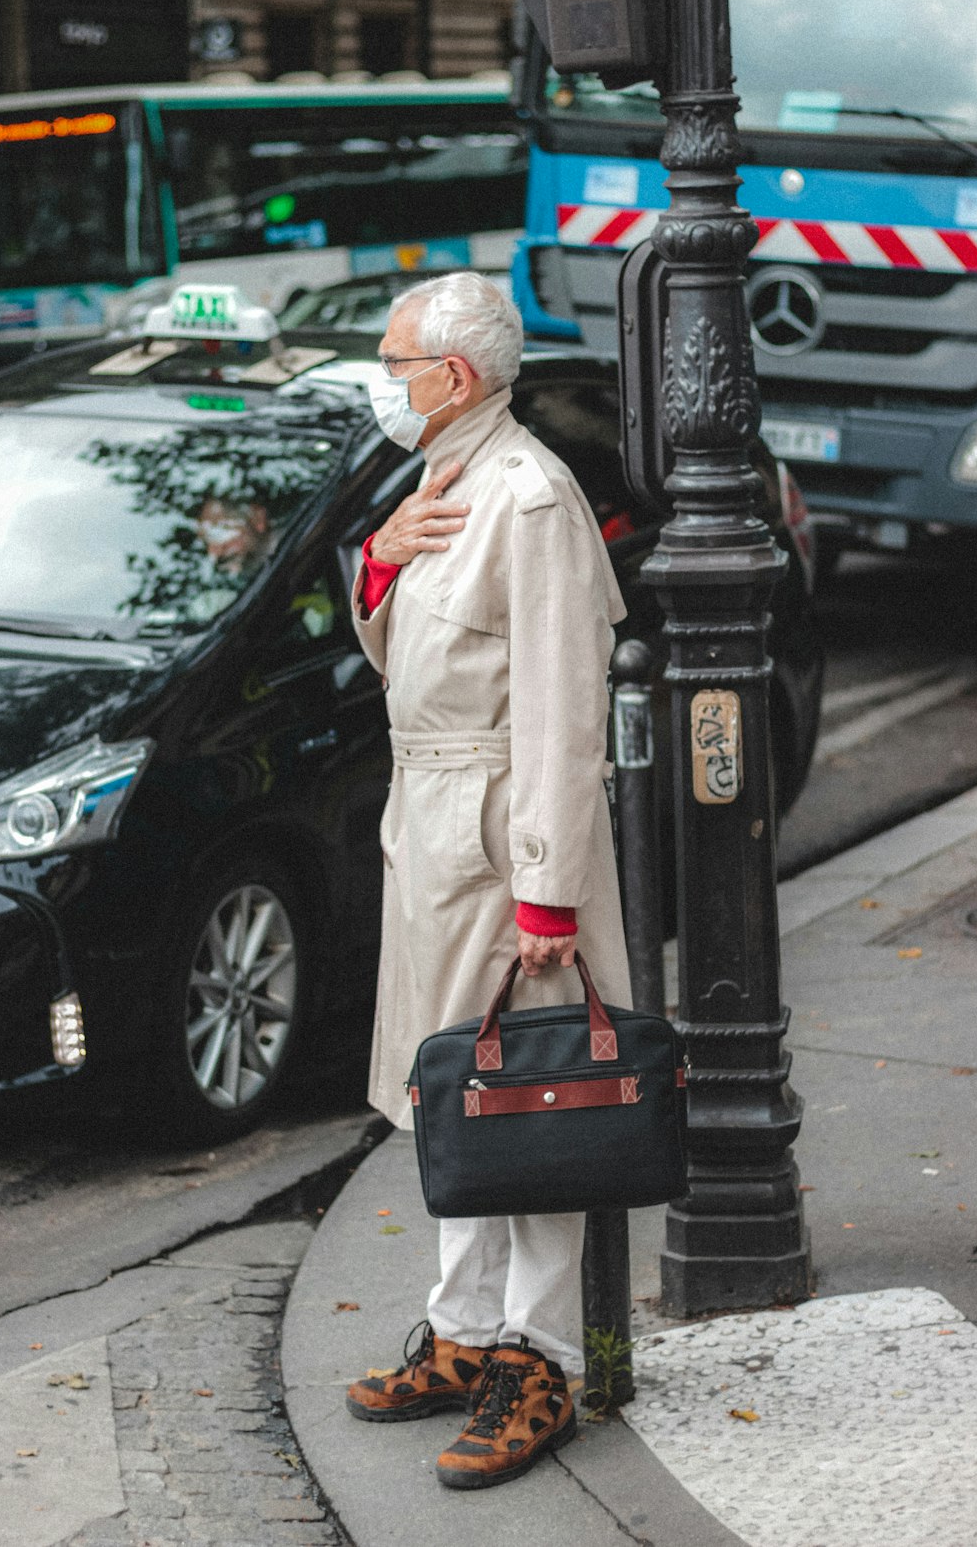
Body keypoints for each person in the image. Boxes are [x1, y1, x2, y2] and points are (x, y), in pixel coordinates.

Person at [345, 271, 632, 1490]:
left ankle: (542, 1356)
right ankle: (465, 1335)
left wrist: (549, 894)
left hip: (502, 829)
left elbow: (568, 709)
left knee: (532, 1103)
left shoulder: (529, 495)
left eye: (397, 360)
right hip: (433, 819)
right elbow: (404, 659)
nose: (386, 380)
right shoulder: (444, 480)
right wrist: (377, 566)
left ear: (452, 378)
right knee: (453, 1097)